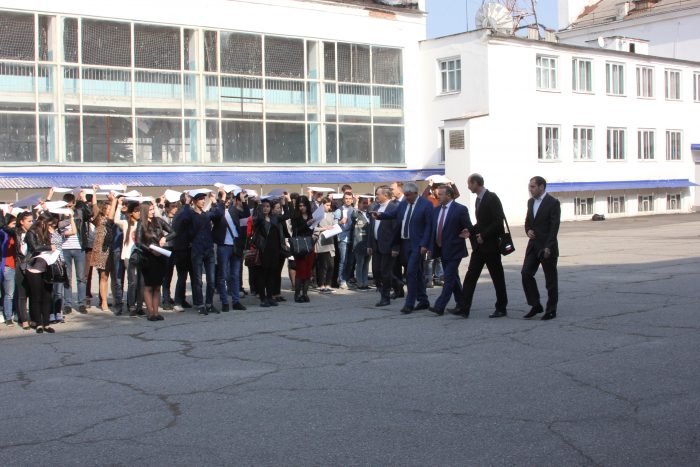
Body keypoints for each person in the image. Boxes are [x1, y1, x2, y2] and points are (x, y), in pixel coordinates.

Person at [453, 174, 508, 319]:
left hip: (491, 246)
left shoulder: (492, 198)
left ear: (476, 183)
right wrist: (470, 231)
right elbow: (482, 223)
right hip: (480, 247)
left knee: (497, 277)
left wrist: (484, 235)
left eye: (469, 184)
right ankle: (464, 308)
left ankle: (501, 307)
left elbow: (498, 222)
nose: (468, 187)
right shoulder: (478, 199)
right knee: (470, 276)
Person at [376, 182, 433, 314]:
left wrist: (425, 244)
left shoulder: (426, 204)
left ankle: (409, 303)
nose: (406, 197)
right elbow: (394, 214)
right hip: (405, 243)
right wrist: (380, 215)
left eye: (409, 195)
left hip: (417, 244)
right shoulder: (403, 204)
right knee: (417, 272)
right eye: (405, 195)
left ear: (415, 193)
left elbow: (429, 226)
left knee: (410, 272)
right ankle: (423, 300)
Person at [428, 185, 473, 315]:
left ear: (448, 195)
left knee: (448, 277)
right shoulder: (436, 210)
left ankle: (439, 306)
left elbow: (468, 226)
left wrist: (466, 231)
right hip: (441, 249)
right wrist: (430, 247)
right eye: (437, 194)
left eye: (440, 194)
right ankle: (462, 304)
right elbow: (433, 230)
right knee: (453, 277)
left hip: (455, 249)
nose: (438, 197)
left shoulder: (460, 209)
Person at [178, 189, 223, 315]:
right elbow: (183, 218)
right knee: (198, 280)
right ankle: (200, 304)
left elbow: (219, 213)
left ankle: (209, 304)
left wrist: (215, 201)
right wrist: (187, 203)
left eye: (204, 199)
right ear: (194, 201)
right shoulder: (190, 214)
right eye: (200, 199)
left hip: (209, 249)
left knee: (211, 280)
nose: (203, 201)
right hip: (197, 250)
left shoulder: (206, 215)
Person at [522, 176, 561, 320]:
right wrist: (528, 230)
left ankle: (551, 309)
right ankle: (535, 304)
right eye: (529, 186)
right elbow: (528, 221)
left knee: (550, 280)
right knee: (526, 273)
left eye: (533, 187)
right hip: (533, 245)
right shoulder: (531, 202)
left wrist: (548, 247)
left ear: (541, 187)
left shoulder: (553, 203)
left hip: (546, 247)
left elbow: (554, 227)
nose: (530, 189)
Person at [212, 189, 248, 312]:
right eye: (225, 199)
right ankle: (224, 301)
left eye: (229, 199)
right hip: (223, 246)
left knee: (235, 275)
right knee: (223, 275)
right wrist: (219, 202)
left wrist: (243, 200)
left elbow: (246, 215)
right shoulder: (217, 210)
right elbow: (215, 215)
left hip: (235, 246)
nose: (227, 201)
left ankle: (236, 301)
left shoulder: (234, 210)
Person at [136, 203, 174, 321]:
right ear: (145, 211)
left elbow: (173, 232)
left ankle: (156, 313)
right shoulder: (141, 223)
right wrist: (151, 249)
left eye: (153, 209)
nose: (152, 211)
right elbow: (138, 242)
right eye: (150, 210)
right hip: (148, 257)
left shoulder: (158, 220)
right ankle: (150, 313)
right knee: (148, 286)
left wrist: (165, 238)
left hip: (160, 256)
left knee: (157, 286)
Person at [368, 186, 401, 307]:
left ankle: (385, 297)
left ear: (385, 195)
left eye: (378, 194)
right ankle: (397, 283)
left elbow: (396, 229)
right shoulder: (375, 208)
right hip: (376, 244)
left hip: (388, 245)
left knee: (385, 272)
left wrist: (395, 247)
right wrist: (369, 244)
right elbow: (372, 227)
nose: (376, 196)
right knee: (376, 271)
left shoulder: (393, 208)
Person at [251, 198, 286, 307]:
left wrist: (286, 203)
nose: (265, 208)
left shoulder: (274, 218)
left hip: (274, 250)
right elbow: (256, 218)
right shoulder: (258, 218)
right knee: (262, 274)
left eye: (268, 206)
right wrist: (257, 204)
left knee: (272, 274)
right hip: (263, 250)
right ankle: (263, 298)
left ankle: (270, 297)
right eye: (264, 206)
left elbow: (289, 215)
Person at [25, 215, 57, 333]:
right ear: (42, 222)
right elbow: (34, 247)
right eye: (49, 224)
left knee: (47, 296)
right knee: (36, 296)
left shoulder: (48, 232)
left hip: (47, 267)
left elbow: (58, 244)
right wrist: (49, 247)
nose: (50, 226)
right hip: (34, 268)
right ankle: (38, 323)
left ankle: (46, 323)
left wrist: (52, 234)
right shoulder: (32, 232)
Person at [114, 199, 144, 317]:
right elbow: (116, 220)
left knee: (141, 282)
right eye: (136, 211)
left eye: (140, 211)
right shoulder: (126, 223)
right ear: (131, 213)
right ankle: (131, 306)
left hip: (141, 255)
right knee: (132, 281)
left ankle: (139, 306)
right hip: (128, 256)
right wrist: (119, 205)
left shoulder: (142, 223)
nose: (139, 213)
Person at [87, 188, 114, 312]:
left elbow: (114, 210)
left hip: (111, 248)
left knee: (108, 276)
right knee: (103, 275)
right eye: (108, 208)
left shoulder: (111, 220)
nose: (110, 210)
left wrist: (113, 199)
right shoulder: (99, 218)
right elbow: (94, 205)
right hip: (101, 249)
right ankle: (103, 301)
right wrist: (94, 192)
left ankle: (106, 298)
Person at [290, 195, 315, 302]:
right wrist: (306, 224)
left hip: (309, 244)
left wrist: (312, 224)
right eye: (300, 206)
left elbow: (312, 230)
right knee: (300, 271)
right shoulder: (295, 216)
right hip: (300, 246)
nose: (302, 208)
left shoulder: (310, 215)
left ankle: (305, 293)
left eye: (304, 205)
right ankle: (297, 294)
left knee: (308, 271)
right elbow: (295, 231)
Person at [313, 198, 335, 294]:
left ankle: (328, 284)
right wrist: (324, 228)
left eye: (330, 205)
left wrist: (335, 228)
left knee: (331, 265)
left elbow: (334, 225)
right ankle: (321, 285)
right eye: (327, 205)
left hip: (330, 241)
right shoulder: (317, 215)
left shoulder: (331, 214)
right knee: (322, 265)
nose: (328, 207)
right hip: (321, 242)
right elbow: (313, 228)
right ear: (322, 205)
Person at [333, 192, 354, 289]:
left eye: (350, 198)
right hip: (342, 238)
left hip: (352, 238)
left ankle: (346, 279)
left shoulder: (354, 210)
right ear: (343, 199)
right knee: (343, 260)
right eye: (346, 198)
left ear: (352, 200)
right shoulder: (339, 210)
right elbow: (334, 224)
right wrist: (340, 222)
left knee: (350, 261)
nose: (348, 200)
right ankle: (341, 280)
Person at [350, 196, 371, 290]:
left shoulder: (369, 214)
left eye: (367, 203)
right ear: (359, 204)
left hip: (368, 243)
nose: (366, 205)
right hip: (359, 242)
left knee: (366, 264)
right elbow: (353, 217)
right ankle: (359, 283)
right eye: (364, 203)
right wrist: (355, 205)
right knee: (360, 264)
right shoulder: (356, 213)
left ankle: (365, 283)